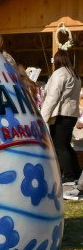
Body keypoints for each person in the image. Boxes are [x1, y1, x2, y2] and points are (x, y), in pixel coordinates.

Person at [41, 50, 81, 184]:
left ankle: (69, 175)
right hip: (72, 114)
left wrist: (43, 116)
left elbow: (53, 96)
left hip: (62, 114)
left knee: (59, 146)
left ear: (57, 60)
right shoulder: (74, 74)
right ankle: (76, 172)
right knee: (66, 145)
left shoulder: (60, 73)